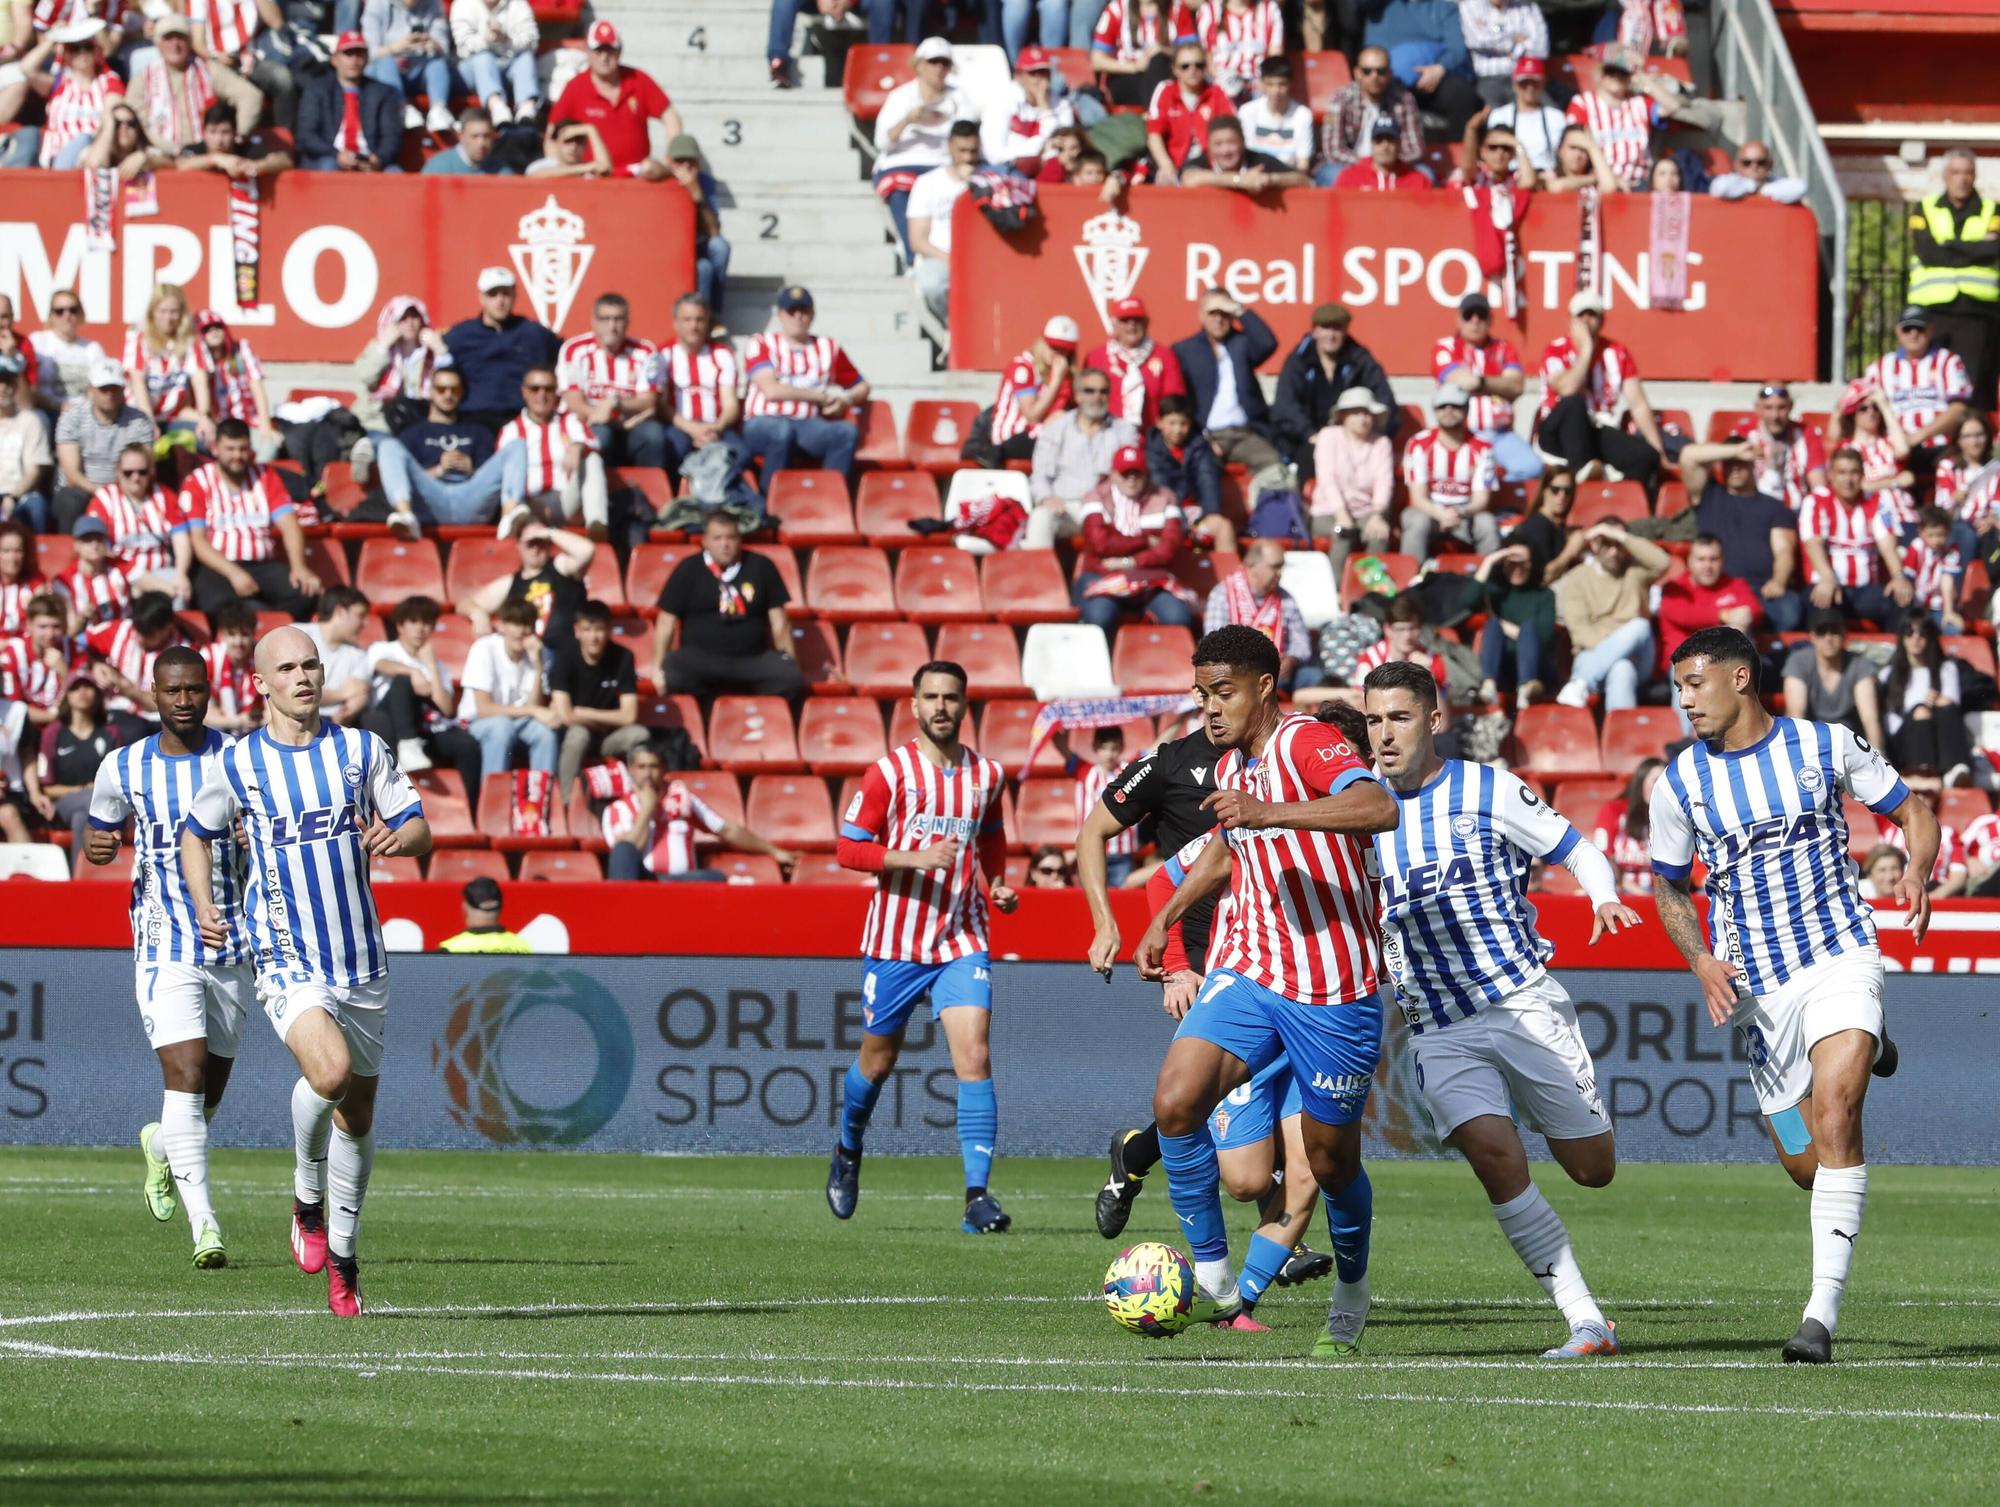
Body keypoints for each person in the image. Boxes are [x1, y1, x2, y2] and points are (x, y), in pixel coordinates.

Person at [1651, 624, 1933, 1364]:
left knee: (1839, 1113)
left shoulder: (1825, 745)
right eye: (1678, 687)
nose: (1685, 700)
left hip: (1840, 951)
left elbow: (1913, 811)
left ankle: (1819, 1316)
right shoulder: (1679, 782)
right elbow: (1668, 887)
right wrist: (1700, 959)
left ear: (1740, 679)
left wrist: (1917, 868)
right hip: (1757, 988)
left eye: (1694, 683)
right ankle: (1870, 1043)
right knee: (1810, 1163)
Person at [1136, 625, 1399, 1351]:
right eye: (1201, 694)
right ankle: (1218, 1277)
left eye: (1223, 692)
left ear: (1263, 687)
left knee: (1331, 1160)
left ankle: (1351, 1284)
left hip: (1333, 986)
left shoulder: (1307, 740)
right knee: (1175, 1101)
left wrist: (1269, 813)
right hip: (1252, 970)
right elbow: (1228, 848)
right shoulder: (1238, 765)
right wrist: (1167, 914)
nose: (1210, 708)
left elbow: (1379, 807)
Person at [1364, 659, 1635, 1356]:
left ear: (1433, 718)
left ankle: (1566, 1119)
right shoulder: (1356, 814)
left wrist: (1603, 895)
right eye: (1372, 719)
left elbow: (1577, 848)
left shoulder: (1486, 787)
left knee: (1593, 1168)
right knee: (1494, 1154)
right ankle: (1585, 1318)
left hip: (1519, 999)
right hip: (1437, 1026)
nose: (1384, 734)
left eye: (1398, 717)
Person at [181, 624, 433, 1316]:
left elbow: (419, 826)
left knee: (358, 1116)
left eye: (311, 664)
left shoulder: (360, 748)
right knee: (328, 1073)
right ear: (259, 683)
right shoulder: (238, 764)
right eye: (286, 667)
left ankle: (345, 1261)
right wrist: (205, 903)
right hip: (286, 954)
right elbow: (194, 836)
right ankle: (304, 1192)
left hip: (361, 958)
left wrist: (397, 836)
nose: (302, 676)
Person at [829, 660, 1018, 1233]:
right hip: (896, 942)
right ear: (913, 706)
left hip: (962, 937)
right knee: (877, 1062)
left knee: (975, 1056)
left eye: (951, 697)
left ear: (965, 706)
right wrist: (912, 857)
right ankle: (847, 1146)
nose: (941, 706)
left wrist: (998, 882)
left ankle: (976, 1198)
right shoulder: (889, 772)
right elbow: (847, 848)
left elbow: (991, 835)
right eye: (930, 696)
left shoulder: (987, 774)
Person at [82, 647, 246, 1270]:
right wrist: (99, 847)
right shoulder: (122, 766)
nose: (184, 700)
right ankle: (206, 1226)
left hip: (231, 936)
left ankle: (161, 1142)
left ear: (208, 692)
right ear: (153, 693)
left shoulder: (236, 757)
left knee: (210, 1087)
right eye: (172, 690)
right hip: (161, 937)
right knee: (185, 1071)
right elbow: (102, 839)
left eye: (194, 690)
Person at [178, 417, 320, 622]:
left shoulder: (266, 476)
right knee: (218, 602)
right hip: (218, 566)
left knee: (305, 591)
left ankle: (270, 628)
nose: (237, 456)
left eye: (243, 449)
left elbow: (289, 525)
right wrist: (233, 573)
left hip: (261, 564)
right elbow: (198, 542)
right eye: (230, 449)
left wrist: (299, 566)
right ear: (215, 449)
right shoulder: (198, 481)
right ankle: (261, 619)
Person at [652, 511, 802, 702]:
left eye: (731, 537)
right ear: (705, 541)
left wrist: (790, 662)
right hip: (702, 659)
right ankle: (703, 720)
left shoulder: (761, 566)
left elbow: (780, 623)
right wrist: (657, 668)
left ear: (740, 539)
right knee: (675, 670)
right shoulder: (688, 569)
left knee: (789, 677)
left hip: (751, 660)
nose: (725, 544)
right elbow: (666, 621)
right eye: (717, 538)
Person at [603, 743, 798, 882]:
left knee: (715, 877)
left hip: (681, 883)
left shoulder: (682, 798)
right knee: (623, 850)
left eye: (653, 766)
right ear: (631, 770)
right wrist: (647, 809)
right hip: (645, 882)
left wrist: (774, 851)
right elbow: (626, 855)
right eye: (642, 767)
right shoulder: (618, 809)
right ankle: (622, 911)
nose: (648, 773)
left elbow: (727, 830)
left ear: (663, 769)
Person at [1533, 291, 1666, 495]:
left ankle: (1617, 502)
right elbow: (1567, 388)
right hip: (1557, 430)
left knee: (1646, 457)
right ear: (1570, 321)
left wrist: (1659, 450)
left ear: (1602, 320)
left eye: (1592, 315)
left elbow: (1638, 405)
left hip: (1595, 427)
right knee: (1575, 403)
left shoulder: (1617, 352)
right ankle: (1582, 472)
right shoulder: (1555, 350)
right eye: (1581, 315)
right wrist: (1586, 349)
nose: (1586, 320)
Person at [739, 286, 869, 484]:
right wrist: (819, 396)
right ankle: (769, 504)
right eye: (792, 311)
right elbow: (771, 391)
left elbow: (862, 385)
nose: (798, 317)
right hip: (764, 421)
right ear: (780, 315)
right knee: (781, 431)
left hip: (806, 424)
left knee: (846, 433)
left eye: (804, 311)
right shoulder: (761, 342)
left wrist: (846, 401)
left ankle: (829, 498)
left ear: (813, 315)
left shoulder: (827, 348)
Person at [1904, 148, 2000, 409]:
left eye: (1968, 173)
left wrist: (1948, 245)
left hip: (1976, 312)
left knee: (1973, 384)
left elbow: (1994, 249)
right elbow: (1926, 251)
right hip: (1932, 313)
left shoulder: (1992, 210)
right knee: (1929, 380)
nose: (1962, 179)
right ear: (1945, 176)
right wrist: (1973, 248)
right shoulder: (1924, 208)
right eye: (1956, 172)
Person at [1678, 440, 1803, 632]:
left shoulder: (1774, 507)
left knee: (1789, 611)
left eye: (1741, 463)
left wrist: (1779, 581)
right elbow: (1687, 456)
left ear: (1753, 464)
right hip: (1717, 590)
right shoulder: (1709, 495)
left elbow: (1784, 550)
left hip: (1761, 591)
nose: (1735, 468)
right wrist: (1736, 450)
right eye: (1730, 462)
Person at [1074, 445, 1194, 639]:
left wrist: (1128, 562)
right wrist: (1145, 539)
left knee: (1178, 617)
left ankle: (1165, 667)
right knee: (1099, 616)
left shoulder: (1164, 498)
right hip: (1102, 576)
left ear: (1146, 474)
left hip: (1151, 579)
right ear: (1113, 474)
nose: (1131, 479)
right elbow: (1101, 545)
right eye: (1125, 474)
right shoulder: (1095, 498)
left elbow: (1168, 549)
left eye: (1137, 474)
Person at [374, 366, 504, 538]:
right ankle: (406, 516)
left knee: (517, 446)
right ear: (431, 391)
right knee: (387, 445)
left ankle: (509, 519)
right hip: (430, 501)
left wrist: (473, 471)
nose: (448, 395)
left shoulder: (479, 433)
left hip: (470, 499)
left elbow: (491, 483)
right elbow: (403, 479)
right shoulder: (412, 434)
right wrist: (438, 470)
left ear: (462, 392)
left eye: (454, 389)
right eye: (441, 389)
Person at [872, 37, 973, 256]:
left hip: (943, 164)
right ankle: (913, 255)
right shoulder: (900, 96)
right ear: (919, 65)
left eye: (944, 63)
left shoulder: (959, 97)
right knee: (898, 189)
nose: (938, 68)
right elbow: (882, 142)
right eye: (932, 62)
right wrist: (908, 119)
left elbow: (969, 135)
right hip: (902, 162)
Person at [1554, 521, 1671, 710]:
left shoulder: (1635, 571)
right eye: (1607, 544)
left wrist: (1620, 535)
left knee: (1640, 625)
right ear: (1594, 545)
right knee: (1621, 668)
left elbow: (1663, 562)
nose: (1614, 552)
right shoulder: (1577, 577)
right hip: (1592, 654)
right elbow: (1579, 631)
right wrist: (1616, 650)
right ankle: (1620, 737)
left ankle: (1580, 683)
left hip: (1638, 656)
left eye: (1618, 545)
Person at [366, 593, 480, 784]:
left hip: (424, 724)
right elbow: (379, 664)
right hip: (388, 721)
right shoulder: (384, 648)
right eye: (413, 622)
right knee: (403, 681)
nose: (420, 628)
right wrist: (412, 671)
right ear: (400, 625)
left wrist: (432, 667)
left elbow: (446, 709)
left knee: (467, 745)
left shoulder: (437, 665)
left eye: (426, 623)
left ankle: (470, 807)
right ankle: (407, 743)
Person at [1274, 303, 1397, 478]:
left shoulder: (1360, 359)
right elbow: (1285, 405)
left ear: (1346, 331)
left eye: (1337, 329)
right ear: (1314, 331)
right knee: (1307, 465)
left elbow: (1385, 401)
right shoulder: (1299, 360)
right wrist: (1310, 434)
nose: (1330, 335)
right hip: (1309, 440)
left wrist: (1364, 433)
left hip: (1354, 439)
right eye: (1325, 328)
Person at [549, 18, 676, 180]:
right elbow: (552, 135)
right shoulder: (576, 87)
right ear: (588, 52)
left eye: (609, 50)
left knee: (654, 168)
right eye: (598, 50)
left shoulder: (637, 80)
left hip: (636, 174)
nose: (604, 57)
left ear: (619, 52)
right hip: (592, 175)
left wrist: (670, 157)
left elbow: (671, 118)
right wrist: (563, 169)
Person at [1800, 448, 1911, 632]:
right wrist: (1828, 578)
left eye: (1854, 472)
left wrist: (1898, 577)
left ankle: (1896, 659)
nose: (1848, 480)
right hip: (1828, 585)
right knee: (1822, 602)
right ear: (1831, 475)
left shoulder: (1878, 501)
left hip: (1865, 590)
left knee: (1902, 599)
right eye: (1842, 472)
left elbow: (1888, 544)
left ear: (1862, 475)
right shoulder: (1816, 500)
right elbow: (1813, 544)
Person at [1170, 291, 1281, 473]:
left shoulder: (1241, 343)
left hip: (1245, 433)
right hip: (1206, 434)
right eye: (1213, 313)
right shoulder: (1185, 350)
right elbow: (1179, 399)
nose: (1218, 320)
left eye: (1224, 313)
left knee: (1274, 465)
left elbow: (1268, 343)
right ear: (1201, 315)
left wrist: (1238, 309)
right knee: (1204, 469)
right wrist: (1197, 437)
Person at [495, 366, 610, 543]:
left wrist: (577, 447)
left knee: (592, 458)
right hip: (529, 503)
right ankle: (517, 524)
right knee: (520, 508)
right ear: (524, 392)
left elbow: (593, 443)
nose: (542, 395)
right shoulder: (511, 431)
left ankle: (596, 525)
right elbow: (506, 477)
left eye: (548, 389)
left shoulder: (570, 421)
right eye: (535, 389)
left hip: (565, 500)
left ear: (556, 393)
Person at [443, 267, 561, 437]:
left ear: (514, 295)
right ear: (481, 298)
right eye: (493, 294)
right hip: (474, 420)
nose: (500, 301)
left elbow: (566, 358)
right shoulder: (460, 335)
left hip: (523, 419)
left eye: (505, 293)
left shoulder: (536, 334)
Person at [558, 292, 666, 475]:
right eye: (605, 319)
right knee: (600, 436)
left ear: (627, 322)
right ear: (593, 321)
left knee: (653, 436)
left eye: (618, 319)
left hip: (633, 425)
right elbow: (574, 403)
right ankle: (598, 498)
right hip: (593, 421)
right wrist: (608, 418)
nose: (612, 326)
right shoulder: (574, 350)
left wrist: (615, 403)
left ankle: (649, 498)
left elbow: (648, 401)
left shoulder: (646, 351)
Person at [1028, 368, 1138, 548]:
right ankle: (1040, 576)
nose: (1097, 397)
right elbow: (1039, 475)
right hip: (1066, 508)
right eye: (1090, 391)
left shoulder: (1124, 431)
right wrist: (1047, 498)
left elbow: (1132, 474)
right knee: (1041, 517)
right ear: (1077, 396)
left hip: (1108, 510)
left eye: (1103, 391)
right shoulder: (1056, 428)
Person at [550, 598, 648, 798]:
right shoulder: (565, 657)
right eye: (587, 630)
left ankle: (638, 797)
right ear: (577, 631)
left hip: (608, 736)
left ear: (609, 630)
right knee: (578, 735)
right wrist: (605, 719)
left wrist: (585, 712)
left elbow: (629, 717)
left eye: (600, 630)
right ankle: (567, 801)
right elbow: (567, 716)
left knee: (640, 734)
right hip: (576, 733)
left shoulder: (623, 657)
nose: (594, 637)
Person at [1435, 292, 1538, 482]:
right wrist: (1498, 383)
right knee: (1463, 475)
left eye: (1481, 315)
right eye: (1468, 315)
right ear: (1458, 319)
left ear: (1490, 320)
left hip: (1501, 434)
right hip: (1464, 435)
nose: (1475, 321)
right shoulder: (1446, 347)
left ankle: (1501, 500)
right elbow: (1458, 380)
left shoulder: (1503, 348)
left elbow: (1516, 385)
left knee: (1532, 468)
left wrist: (1480, 382)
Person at [658, 293, 752, 500]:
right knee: (672, 449)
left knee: (742, 455)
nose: (694, 326)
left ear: (708, 323)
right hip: (680, 426)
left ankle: (727, 503)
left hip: (716, 427)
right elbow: (662, 406)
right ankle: (677, 504)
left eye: (700, 320)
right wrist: (694, 430)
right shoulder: (663, 355)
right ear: (676, 324)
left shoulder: (722, 354)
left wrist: (715, 428)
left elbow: (730, 405)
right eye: (687, 320)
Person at [1563, 43, 1693, 192]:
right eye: (1611, 72)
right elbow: (1572, 141)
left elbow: (1673, 106)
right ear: (1601, 73)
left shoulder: (1639, 102)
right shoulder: (1583, 103)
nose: (1617, 77)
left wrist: (1642, 75)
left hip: (1640, 182)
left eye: (1623, 73)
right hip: (1601, 182)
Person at [53, 358, 157, 536]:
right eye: (103, 389)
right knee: (69, 499)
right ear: (91, 390)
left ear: (123, 390)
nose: (109, 394)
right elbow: (72, 476)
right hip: (83, 491)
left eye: (114, 388)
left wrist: (120, 493)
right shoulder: (72, 419)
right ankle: (69, 555)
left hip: (126, 488)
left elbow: (144, 465)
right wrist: (106, 494)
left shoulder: (139, 421)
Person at [460, 597, 560, 778]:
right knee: (501, 728)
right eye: (515, 624)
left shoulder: (541, 653)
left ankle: (541, 798)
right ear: (502, 625)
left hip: (519, 721)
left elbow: (534, 706)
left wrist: (538, 667)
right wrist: (533, 710)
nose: (521, 631)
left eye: (527, 624)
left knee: (545, 733)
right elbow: (483, 709)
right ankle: (492, 801)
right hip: (477, 722)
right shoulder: (484, 648)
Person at [130, 17, 260, 154]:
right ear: (157, 43)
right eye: (168, 38)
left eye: (180, 38)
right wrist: (174, 151)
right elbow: (137, 121)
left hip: (208, 154)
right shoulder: (143, 78)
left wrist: (238, 135)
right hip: (163, 155)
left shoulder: (208, 69)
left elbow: (250, 96)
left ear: (190, 42)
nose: (175, 44)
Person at [1400, 385, 1499, 558]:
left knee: (1487, 524)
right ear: (1434, 410)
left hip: (1466, 514)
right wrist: (1440, 514)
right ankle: (1411, 580)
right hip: (1428, 513)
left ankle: (1490, 581)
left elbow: (1481, 500)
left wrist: (1459, 512)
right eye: (1442, 406)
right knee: (1416, 521)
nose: (1448, 410)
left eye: (1456, 406)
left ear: (1466, 409)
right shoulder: (1418, 444)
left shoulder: (1483, 448)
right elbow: (1418, 498)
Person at [1858, 305, 1972, 454]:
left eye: (1920, 328)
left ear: (1931, 330)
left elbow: (1959, 409)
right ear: (1898, 331)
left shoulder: (1949, 361)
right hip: (1894, 449)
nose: (1913, 334)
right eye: (1907, 329)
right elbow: (1860, 404)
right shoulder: (1880, 367)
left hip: (1941, 447)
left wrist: (1918, 436)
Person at [464, 520, 591, 655]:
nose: (536, 548)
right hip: (528, 658)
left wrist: (548, 532)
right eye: (530, 543)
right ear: (518, 545)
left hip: (567, 654)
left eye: (540, 542)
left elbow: (587, 551)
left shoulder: (561, 567)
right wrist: (477, 614)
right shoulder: (511, 583)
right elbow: (466, 603)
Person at [1359, 0, 1481, 136]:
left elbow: (1457, 49)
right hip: (1391, 81)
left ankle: (1460, 151)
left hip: (1436, 81)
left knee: (1462, 93)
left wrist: (1439, 69)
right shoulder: (1379, 7)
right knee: (1374, 86)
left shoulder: (1444, 8)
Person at [28, 672, 118, 851]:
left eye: (88, 687)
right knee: (90, 800)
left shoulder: (111, 733)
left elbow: (119, 779)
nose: (82, 692)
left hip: (102, 804)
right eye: (75, 688)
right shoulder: (52, 733)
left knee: (81, 818)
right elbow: (47, 788)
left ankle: (80, 876)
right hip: (63, 804)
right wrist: (84, 790)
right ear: (66, 695)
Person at [1199, 538, 1308, 685]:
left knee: (1312, 676)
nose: (1279, 573)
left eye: (1281, 567)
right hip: (1238, 672)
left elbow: (1302, 643)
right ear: (1252, 566)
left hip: (1281, 671)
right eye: (1274, 567)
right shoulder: (1223, 594)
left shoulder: (1286, 599)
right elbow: (1215, 643)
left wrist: (1292, 659)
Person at [1880, 614, 1973, 784]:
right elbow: (1890, 723)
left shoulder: (1946, 668)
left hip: (1938, 732)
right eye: (1910, 632)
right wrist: (1922, 707)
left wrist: (1934, 703)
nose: (1916, 638)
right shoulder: (1887, 674)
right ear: (1902, 637)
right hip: (1903, 740)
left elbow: (1951, 707)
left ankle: (1954, 768)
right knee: (1921, 711)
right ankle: (1923, 770)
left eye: (1922, 633)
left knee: (1944, 707)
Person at [123, 282, 214, 453]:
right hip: (140, 414)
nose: (168, 318)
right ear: (153, 312)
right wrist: (148, 421)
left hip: (175, 415)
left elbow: (200, 380)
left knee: (208, 437)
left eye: (174, 312)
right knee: (144, 443)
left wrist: (204, 417)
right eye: (163, 311)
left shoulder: (191, 338)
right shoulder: (138, 334)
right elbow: (137, 382)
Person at [1311, 385, 1393, 571]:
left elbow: (1384, 482)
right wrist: (1341, 514)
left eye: (1367, 413)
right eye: (1356, 413)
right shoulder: (1328, 436)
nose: (1363, 419)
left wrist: (1378, 515)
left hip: (1366, 512)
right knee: (1343, 533)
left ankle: (1370, 592)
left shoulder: (1381, 443)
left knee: (1378, 533)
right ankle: (1334, 590)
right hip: (1328, 512)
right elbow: (1327, 479)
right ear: (1343, 416)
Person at [1782, 605, 1888, 748]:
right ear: (1812, 637)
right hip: (1811, 742)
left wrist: (1878, 758)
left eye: (1835, 631)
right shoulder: (1798, 662)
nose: (1828, 638)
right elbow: (1796, 714)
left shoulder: (1859, 665)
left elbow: (1870, 719)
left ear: (1844, 635)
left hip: (1849, 744)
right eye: (1822, 632)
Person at [22, 20, 122, 171]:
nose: (82, 54)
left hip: (93, 155)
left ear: (95, 51)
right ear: (67, 54)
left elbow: (111, 118)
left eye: (87, 48)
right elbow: (26, 68)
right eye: (75, 49)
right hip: (57, 156)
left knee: (85, 140)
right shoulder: (58, 83)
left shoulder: (109, 81)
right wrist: (52, 38)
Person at [907, 119, 981, 322]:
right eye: (962, 150)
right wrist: (952, 259)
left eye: (973, 151)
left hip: (980, 260)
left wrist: (972, 185)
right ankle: (956, 329)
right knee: (933, 284)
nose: (967, 157)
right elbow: (917, 240)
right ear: (949, 147)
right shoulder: (928, 183)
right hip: (939, 258)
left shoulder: (987, 181)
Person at [296, 30, 401, 172]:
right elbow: (306, 135)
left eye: (359, 54)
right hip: (328, 158)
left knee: (394, 173)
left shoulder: (383, 92)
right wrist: (337, 155)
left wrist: (378, 158)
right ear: (334, 59)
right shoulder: (317, 90)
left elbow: (391, 137)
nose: (354, 60)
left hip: (369, 160)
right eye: (348, 54)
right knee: (329, 166)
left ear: (367, 59)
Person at [1659, 532, 1760, 675]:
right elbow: (1686, 615)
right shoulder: (1675, 588)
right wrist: (1724, 615)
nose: (1708, 565)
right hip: (1684, 659)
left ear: (1722, 560)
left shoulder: (1736, 585)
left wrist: (1743, 616)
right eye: (1701, 559)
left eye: (1714, 559)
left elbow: (1754, 610)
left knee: (1740, 626)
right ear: (1689, 561)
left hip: (1725, 664)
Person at [1083, 296, 1186, 432]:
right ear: (1114, 325)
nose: (1131, 325)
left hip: (1151, 439)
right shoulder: (1095, 357)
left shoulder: (1164, 356)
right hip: (1105, 435)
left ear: (1146, 323)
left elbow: (1175, 404)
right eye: (1125, 320)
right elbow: (1083, 399)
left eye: (1137, 320)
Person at [1148, 393, 1235, 552]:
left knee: (1224, 527)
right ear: (1159, 422)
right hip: (1167, 516)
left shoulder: (1199, 447)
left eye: (1183, 423)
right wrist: (1180, 520)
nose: (1178, 429)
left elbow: (1207, 479)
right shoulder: (1152, 451)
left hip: (1198, 513)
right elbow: (1161, 488)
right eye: (1172, 423)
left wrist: (1211, 513)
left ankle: (1229, 575)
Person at [984, 314, 1075, 464]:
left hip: (1038, 435)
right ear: (1043, 343)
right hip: (1012, 437)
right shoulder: (1023, 367)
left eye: (1064, 350)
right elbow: (1032, 414)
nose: (1057, 354)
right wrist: (1056, 381)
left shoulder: (1061, 372)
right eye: (1053, 347)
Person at [1474, 539, 1555, 703]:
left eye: (1523, 563)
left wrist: (1510, 628)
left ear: (1532, 564)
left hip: (1537, 669)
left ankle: (1526, 688)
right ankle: (1489, 686)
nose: (1517, 569)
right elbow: (1468, 600)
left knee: (1529, 627)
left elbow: (1544, 636)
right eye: (1511, 563)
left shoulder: (1544, 595)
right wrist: (1489, 561)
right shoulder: (1497, 592)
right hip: (1503, 666)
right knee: (1493, 625)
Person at [1145, 42, 1233, 183]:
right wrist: (1165, 164)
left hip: (1207, 161)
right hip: (1172, 158)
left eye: (1198, 65)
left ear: (1205, 68)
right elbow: (1154, 133)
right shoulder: (1165, 90)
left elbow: (1229, 129)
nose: (1192, 70)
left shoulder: (1216, 92)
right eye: (1185, 66)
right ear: (1175, 69)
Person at [196, 310, 278, 454]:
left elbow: (257, 389)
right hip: (219, 428)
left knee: (269, 447)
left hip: (248, 424)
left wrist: (266, 426)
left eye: (217, 327)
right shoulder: (198, 362)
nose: (214, 332)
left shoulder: (241, 351)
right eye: (207, 329)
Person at [982, 44, 1074, 171]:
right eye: (1033, 73)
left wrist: (1045, 108)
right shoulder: (1002, 100)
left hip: (1045, 168)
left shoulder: (1062, 105)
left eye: (1044, 72)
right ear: (1018, 76)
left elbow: (1063, 149)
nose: (1040, 79)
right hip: (1007, 167)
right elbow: (994, 155)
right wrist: (1037, 149)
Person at [666, 134, 731, 314]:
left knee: (720, 247)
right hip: (669, 246)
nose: (686, 167)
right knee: (703, 268)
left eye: (691, 162)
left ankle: (712, 315)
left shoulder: (704, 183)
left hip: (698, 243)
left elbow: (714, 231)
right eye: (680, 161)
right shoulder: (662, 179)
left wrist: (697, 196)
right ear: (669, 161)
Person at [448, 0, 539, 126]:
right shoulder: (462, 4)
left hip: (508, 66)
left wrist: (505, 39)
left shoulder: (518, 3)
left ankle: (526, 108)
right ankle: (496, 107)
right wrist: (486, 39)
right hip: (472, 71)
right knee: (483, 57)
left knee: (525, 57)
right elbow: (463, 48)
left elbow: (532, 42)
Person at [1090, 0, 1194, 108]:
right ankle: (1157, 111)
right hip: (1126, 76)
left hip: (1164, 73)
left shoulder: (1177, 8)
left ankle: (1156, 111)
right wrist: (1135, 67)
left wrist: (1163, 50)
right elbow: (1096, 61)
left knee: (1158, 61)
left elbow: (1193, 52)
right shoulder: (1117, 9)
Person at [1181, 111, 1308, 190]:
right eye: (1218, 144)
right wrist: (1241, 181)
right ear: (1209, 146)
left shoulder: (1259, 162)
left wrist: (1269, 179)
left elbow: (1303, 180)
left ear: (1243, 142)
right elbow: (1189, 179)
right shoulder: (1203, 160)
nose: (1225, 150)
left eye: (1231, 142)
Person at [1592, 757, 1664, 897]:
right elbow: (1603, 856)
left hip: (1662, 895)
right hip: (1621, 892)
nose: (1660, 788)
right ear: (1641, 782)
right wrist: (1628, 886)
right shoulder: (1613, 811)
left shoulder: (1672, 816)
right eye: (1655, 781)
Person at [1486, 56, 1567, 179]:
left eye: (1535, 82)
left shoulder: (1556, 117)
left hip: (1548, 176)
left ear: (1543, 83)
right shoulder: (1499, 115)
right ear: (1514, 84)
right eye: (1524, 83)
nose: (1530, 87)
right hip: (1510, 178)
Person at [1459, 0, 1548, 107]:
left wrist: (1511, 50)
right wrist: (1513, 39)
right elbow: (1477, 40)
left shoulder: (1528, 7)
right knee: (1492, 117)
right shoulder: (1469, 5)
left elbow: (1541, 49)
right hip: (1487, 79)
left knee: (1552, 114)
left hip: (1524, 79)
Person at [0, 356, 52, 534]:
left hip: (20, 493)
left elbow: (33, 472)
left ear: (16, 387)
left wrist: (12, 497)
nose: (3, 388)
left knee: (36, 506)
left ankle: (37, 558)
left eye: (8, 382)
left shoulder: (30, 421)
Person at [1352, 594, 1450, 689]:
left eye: (1412, 628)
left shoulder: (1432, 659)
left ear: (1420, 628)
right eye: (1400, 629)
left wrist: (1429, 677)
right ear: (1387, 629)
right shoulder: (1371, 658)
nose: (1407, 636)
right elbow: (1360, 700)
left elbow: (1444, 705)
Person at [1235, 54, 1310, 171]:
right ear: (1262, 83)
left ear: (1291, 83)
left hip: (1287, 178)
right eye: (1270, 84)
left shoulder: (1303, 115)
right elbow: (1242, 156)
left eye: (1282, 84)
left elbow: (1303, 165)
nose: (1276, 91)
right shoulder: (1247, 112)